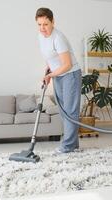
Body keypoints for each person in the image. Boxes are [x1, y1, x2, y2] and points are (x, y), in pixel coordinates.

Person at [35, 7, 81, 153]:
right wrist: (48, 69)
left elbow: (67, 65)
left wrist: (50, 75)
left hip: (70, 74)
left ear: (53, 22)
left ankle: (67, 146)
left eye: (45, 24)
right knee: (63, 111)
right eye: (39, 24)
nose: (42, 28)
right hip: (58, 74)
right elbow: (50, 56)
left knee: (70, 111)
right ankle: (73, 144)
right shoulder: (41, 36)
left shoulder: (58, 38)